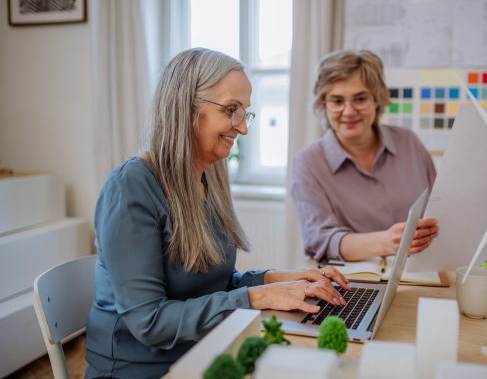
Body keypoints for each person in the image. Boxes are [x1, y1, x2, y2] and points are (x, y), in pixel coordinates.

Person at [84, 48, 350, 379]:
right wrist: (260, 295)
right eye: (231, 110)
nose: (242, 128)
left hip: (207, 349)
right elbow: (149, 321)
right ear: (186, 109)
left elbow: (211, 285)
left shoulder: (208, 176)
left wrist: (279, 279)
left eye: (245, 113)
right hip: (142, 369)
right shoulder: (130, 188)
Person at [291, 50, 439, 263]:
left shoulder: (409, 143)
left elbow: (439, 210)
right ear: (323, 104)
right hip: (355, 284)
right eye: (337, 101)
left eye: (360, 99)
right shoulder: (308, 163)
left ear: (377, 99)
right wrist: (386, 242)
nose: (349, 111)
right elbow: (320, 239)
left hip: (424, 271)